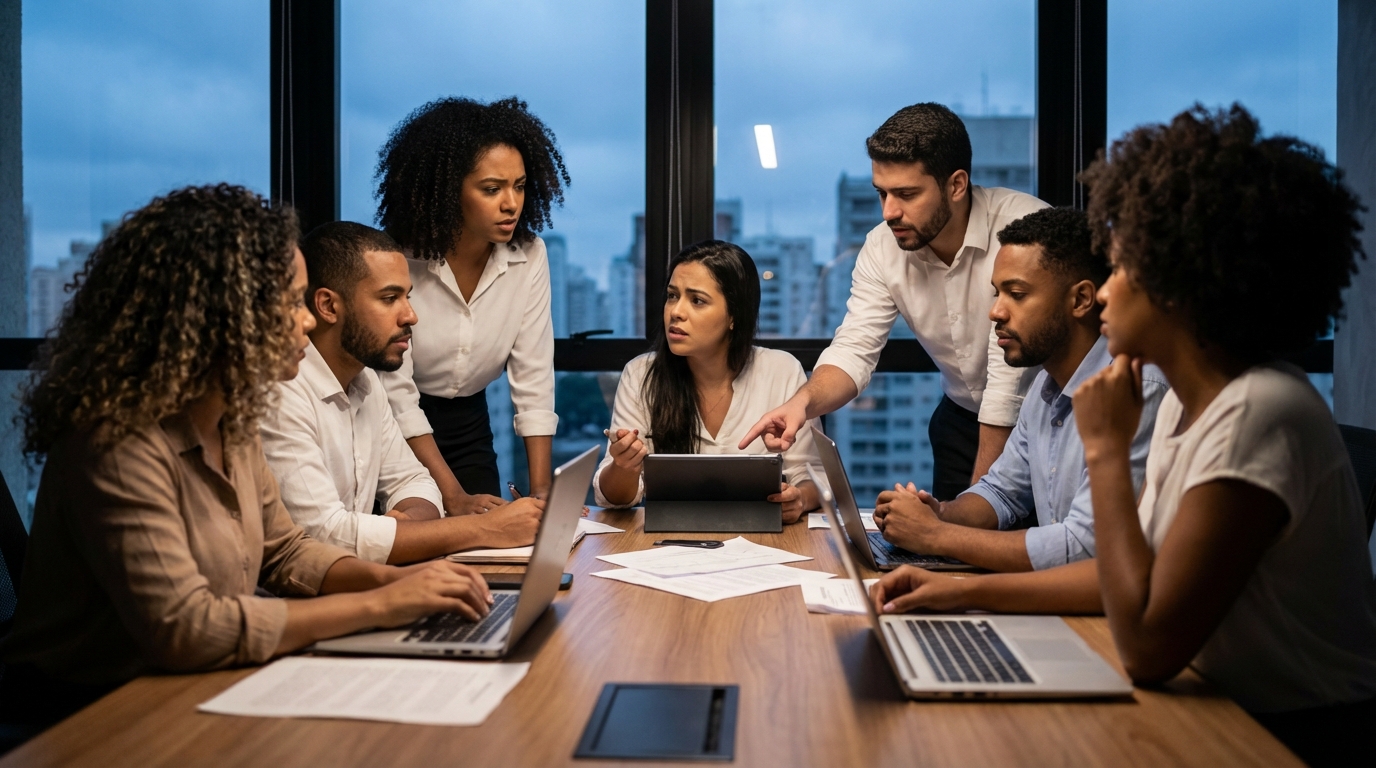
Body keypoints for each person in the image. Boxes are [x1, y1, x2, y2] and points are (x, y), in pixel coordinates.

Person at [880, 105, 1376, 766]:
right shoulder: (1190, 405)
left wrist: (1106, 451)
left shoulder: (1259, 412)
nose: (1106, 289)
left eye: (1126, 266)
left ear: (1184, 280)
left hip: (1287, 733)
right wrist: (953, 584)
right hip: (1201, 698)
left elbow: (1145, 643)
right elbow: (1127, 580)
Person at [0, 185, 495, 730]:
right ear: (217, 315)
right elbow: (188, 629)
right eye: (288, 303)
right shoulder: (117, 443)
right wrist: (381, 606)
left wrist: (396, 584)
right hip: (88, 717)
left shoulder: (228, 419)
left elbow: (285, 554)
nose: (307, 322)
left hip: (193, 691)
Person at [741, 103, 1048, 501]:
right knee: (954, 557)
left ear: (956, 185)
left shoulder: (1021, 229)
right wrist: (802, 404)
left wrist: (973, 516)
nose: (889, 212)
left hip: (1047, 419)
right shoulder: (882, 247)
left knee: (1015, 545)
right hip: (960, 419)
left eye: (906, 194)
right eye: (881, 193)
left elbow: (1007, 385)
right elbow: (854, 349)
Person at [871, 208, 1168, 572]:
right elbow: (1000, 492)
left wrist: (935, 536)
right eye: (997, 294)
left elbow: (1087, 548)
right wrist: (940, 513)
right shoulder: (1046, 385)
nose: (996, 312)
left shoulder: (1139, 388)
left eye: (1017, 294)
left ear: (1080, 300)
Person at [260, 221, 545, 565]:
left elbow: (416, 482)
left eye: (407, 297)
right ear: (328, 306)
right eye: (389, 298)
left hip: (355, 589)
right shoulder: (280, 393)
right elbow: (326, 537)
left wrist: (402, 527)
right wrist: (484, 529)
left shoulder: (367, 382)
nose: (411, 316)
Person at [374, 96, 568, 506]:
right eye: (491, 189)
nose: (511, 203)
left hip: (471, 424)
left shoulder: (529, 255)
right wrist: (453, 496)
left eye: (518, 186)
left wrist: (543, 494)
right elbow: (397, 396)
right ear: (447, 191)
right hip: (394, 426)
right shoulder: (398, 259)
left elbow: (533, 380)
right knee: (425, 544)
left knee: (489, 552)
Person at [595, 240, 822, 523]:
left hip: (763, 542)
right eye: (672, 295)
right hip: (668, 545)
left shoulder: (782, 370)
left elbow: (815, 478)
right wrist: (623, 466)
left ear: (734, 316)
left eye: (697, 300)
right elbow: (612, 499)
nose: (676, 312)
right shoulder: (640, 374)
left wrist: (798, 500)